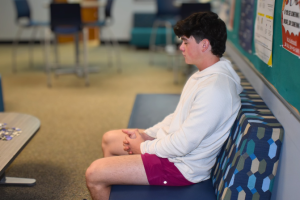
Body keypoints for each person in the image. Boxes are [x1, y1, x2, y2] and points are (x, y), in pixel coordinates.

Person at [85, 11, 243, 200]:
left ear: (204, 44)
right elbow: (178, 118)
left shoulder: (216, 89)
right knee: (109, 139)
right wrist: (147, 134)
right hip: (175, 154)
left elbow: (184, 144)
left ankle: (107, 180)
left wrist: (143, 148)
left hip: (181, 167)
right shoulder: (204, 74)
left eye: (185, 42)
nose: (181, 47)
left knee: (94, 173)